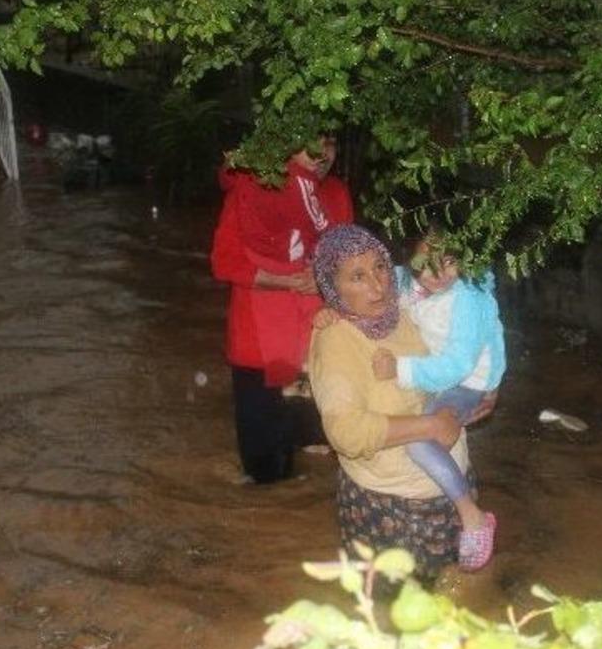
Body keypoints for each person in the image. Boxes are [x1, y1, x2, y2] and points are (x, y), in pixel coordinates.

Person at [308, 224, 494, 580]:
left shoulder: (407, 308)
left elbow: (461, 351)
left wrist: (485, 388)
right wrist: (431, 425)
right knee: (396, 618)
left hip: (451, 491)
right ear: (333, 287)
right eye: (357, 277)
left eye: (380, 266)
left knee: (458, 613)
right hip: (393, 514)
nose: (377, 286)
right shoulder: (337, 339)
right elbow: (345, 432)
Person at [210, 136, 353, 483]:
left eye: (332, 144)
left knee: (330, 461)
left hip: (316, 343)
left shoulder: (335, 194)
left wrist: (323, 281)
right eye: (312, 145)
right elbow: (225, 262)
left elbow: (350, 261)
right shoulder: (250, 189)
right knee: (266, 474)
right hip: (258, 345)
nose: (323, 155)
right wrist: (288, 280)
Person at [371, 230, 505, 571]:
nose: (439, 274)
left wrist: (400, 370)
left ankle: (473, 517)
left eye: (449, 262)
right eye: (426, 265)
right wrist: (328, 308)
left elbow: (457, 365)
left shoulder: (467, 299)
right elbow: (374, 281)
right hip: (443, 371)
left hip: (468, 380)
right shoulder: (407, 281)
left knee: (421, 444)